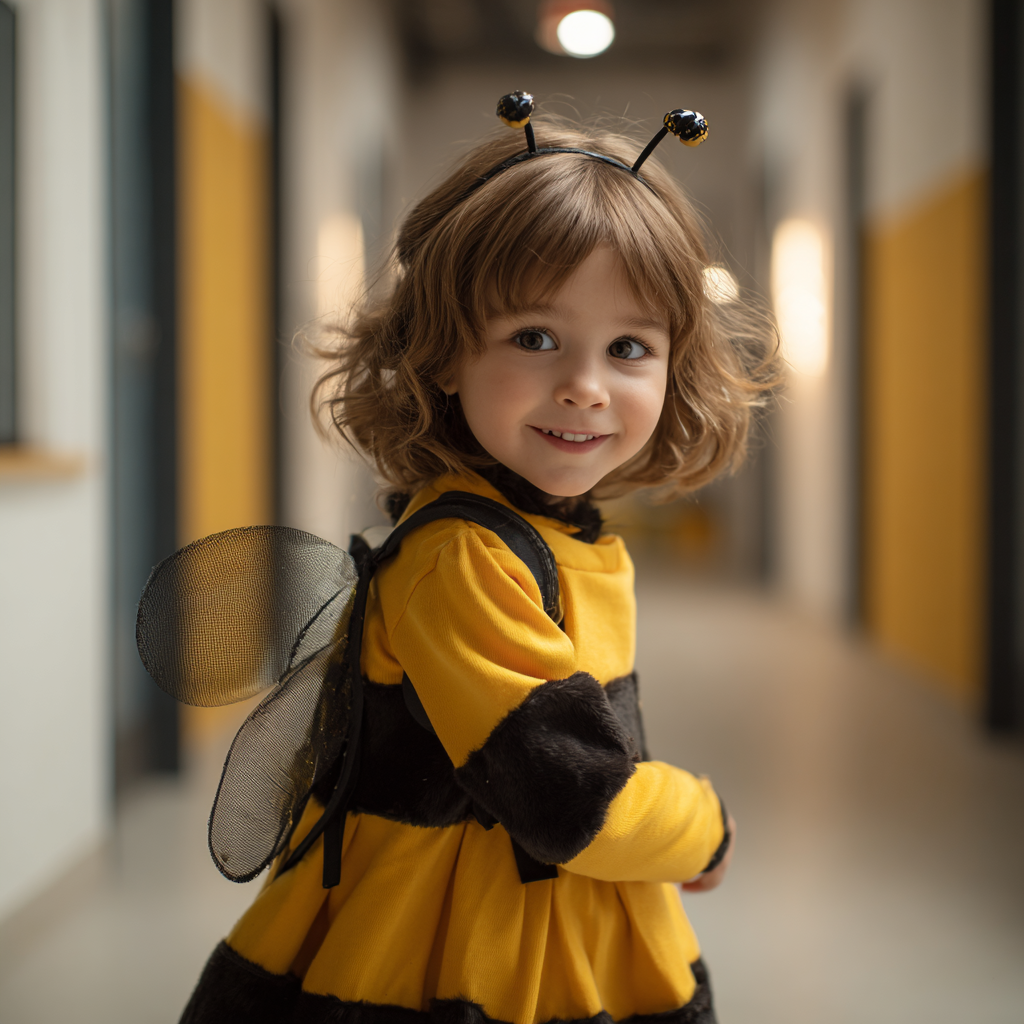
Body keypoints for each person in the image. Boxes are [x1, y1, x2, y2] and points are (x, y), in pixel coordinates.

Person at [179, 94, 776, 1024]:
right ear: (446, 353)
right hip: (457, 952)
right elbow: (574, 800)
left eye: (628, 347)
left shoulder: (557, 533)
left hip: (556, 913)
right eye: (534, 338)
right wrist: (706, 827)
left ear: (672, 367)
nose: (583, 386)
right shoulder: (463, 558)